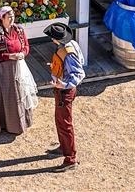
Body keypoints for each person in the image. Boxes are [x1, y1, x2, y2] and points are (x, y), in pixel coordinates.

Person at [0, 5, 32, 140]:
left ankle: (15, 125)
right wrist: (8, 56)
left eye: (13, 16)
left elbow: (26, 45)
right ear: (2, 18)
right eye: (9, 17)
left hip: (17, 68)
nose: (12, 19)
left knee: (16, 95)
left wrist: (22, 54)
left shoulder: (19, 30)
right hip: (0, 69)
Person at [45, 22, 86, 172]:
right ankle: (64, 146)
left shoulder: (68, 52)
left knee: (65, 123)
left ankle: (70, 159)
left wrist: (64, 84)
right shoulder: (71, 45)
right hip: (62, 90)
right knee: (60, 120)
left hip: (64, 92)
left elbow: (79, 73)